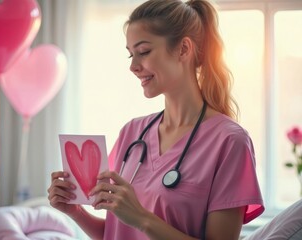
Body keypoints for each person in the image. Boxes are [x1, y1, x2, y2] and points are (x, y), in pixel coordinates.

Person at [48, 0, 265, 239]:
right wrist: (76, 211)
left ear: (183, 49)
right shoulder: (132, 133)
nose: (133, 66)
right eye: (130, 55)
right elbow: (116, 233)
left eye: (143, 52)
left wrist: (141, 218)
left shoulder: (229, 141)